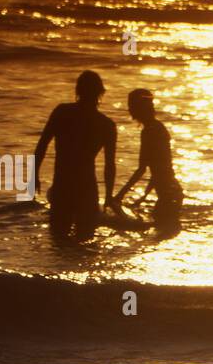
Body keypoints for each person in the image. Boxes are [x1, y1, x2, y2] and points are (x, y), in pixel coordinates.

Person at [33, 70, 116, 242]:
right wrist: (109, 196)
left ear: (78, 91)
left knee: (58, 240)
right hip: (87, 188)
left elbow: (42, 144)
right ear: (101, 93)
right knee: (86, 243)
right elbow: (109, 166)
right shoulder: (106, 125)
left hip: (63, 184)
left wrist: (34, 176)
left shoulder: (62, 112)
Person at [111, 87, 183, 236]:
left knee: (160, 233)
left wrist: (119, 196)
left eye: (131, 106)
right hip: (172, 192)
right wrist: (142, 198)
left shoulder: (149, 131)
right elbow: (160, 168)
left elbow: (142, 169)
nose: (129, 110)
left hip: (168, 195)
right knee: (164, 231)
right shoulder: (158, 127)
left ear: (138, 108)